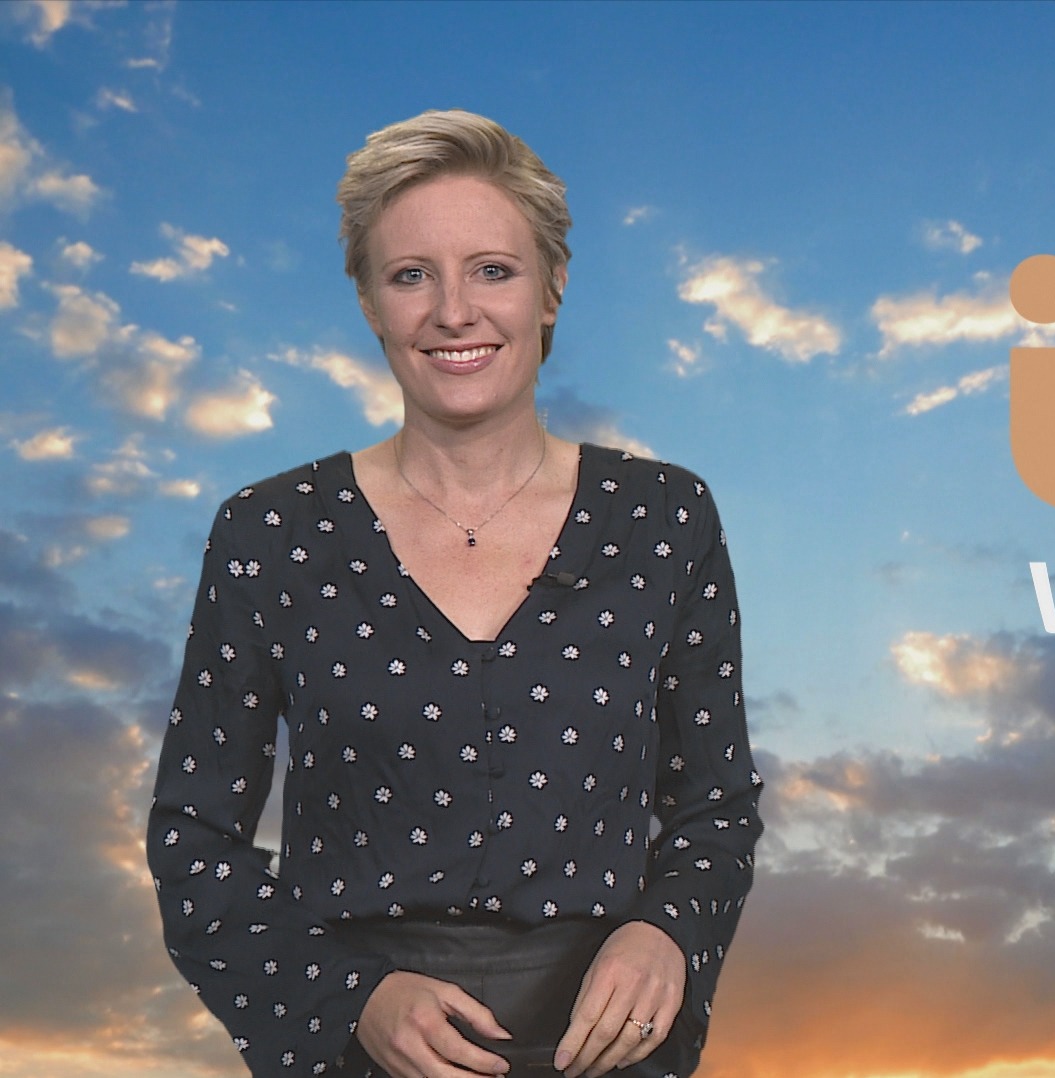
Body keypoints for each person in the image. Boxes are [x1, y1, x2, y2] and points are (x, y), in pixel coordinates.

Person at [147, 110, 763, 1078]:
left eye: (492, 270)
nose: (453, 312)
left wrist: (667, 937)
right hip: (361, 1049)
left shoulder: (665, 517)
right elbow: (192, 837)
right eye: (410, 275)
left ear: (552, 287)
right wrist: (351, 999)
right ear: (368, 301)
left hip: (603, 1049)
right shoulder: (269, 532)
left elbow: (716, 805)